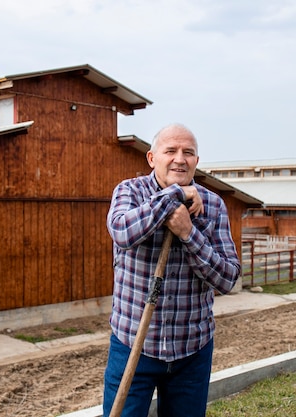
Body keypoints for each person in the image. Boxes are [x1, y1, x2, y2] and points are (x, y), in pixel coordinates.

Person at [103, 123, 241, 417]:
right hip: (132, 345)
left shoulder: (213, 205)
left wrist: (189, 234)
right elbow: (122, 232)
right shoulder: (130, 191)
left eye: (188, 153)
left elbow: (228, 277)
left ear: (197, 161)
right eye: (171, 151)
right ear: (152, 158)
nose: (180, 158)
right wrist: (175, 196)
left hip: (192, 348)